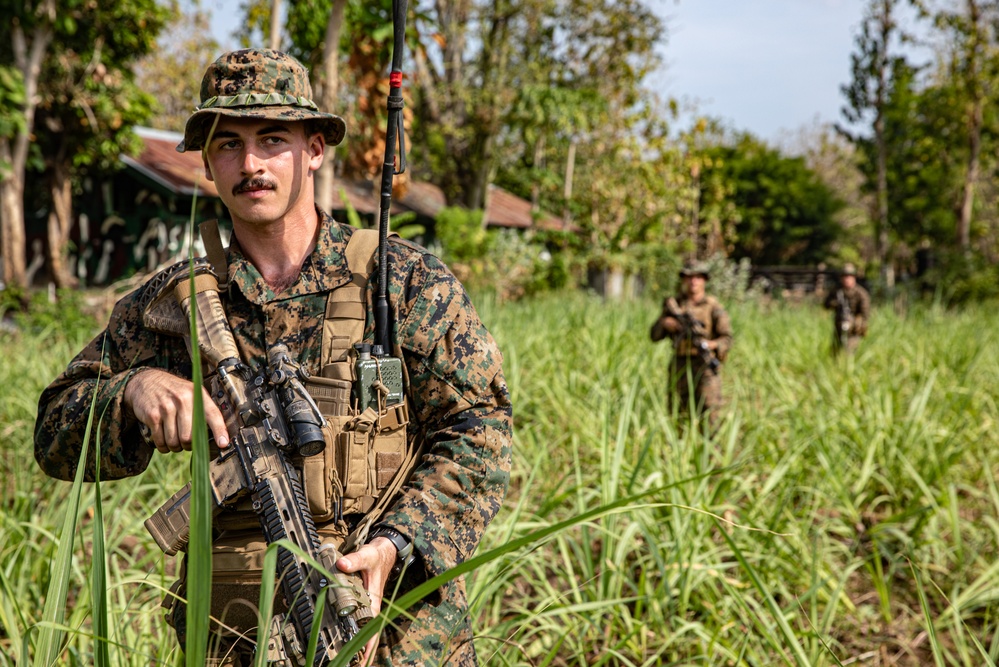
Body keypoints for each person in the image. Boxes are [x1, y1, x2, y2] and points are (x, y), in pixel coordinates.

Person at [34, 48, 512, 666]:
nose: (251, 164)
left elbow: (480, 431)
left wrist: (396, 542)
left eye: (272, 139)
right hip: (237, 636)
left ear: (314, 149)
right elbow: (53, 434)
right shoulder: (178, 299)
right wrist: (133, 389)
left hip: (395, 633)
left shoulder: (401, 282)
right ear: (208, 162)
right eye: (228, 144)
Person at [650, 262, 732, 429]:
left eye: (698, 277)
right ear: (683, 280)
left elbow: (727, 339)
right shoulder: (674, 305)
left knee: (710, 412)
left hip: (704, 365)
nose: (693, 281)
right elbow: (654, 336)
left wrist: (710, 344)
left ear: (704, 280)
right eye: (689, 277)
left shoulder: (713, 306)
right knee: (677, 412)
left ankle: (709, 445)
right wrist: (665, 324)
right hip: (680, 364)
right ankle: (678, 443)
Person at [823, 262, 871, 354]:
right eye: (844, 277)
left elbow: (865, 314)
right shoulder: (837, 291)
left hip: (854, 329)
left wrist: (856, 322)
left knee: (849, 352)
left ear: (854, 278)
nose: (847, 279)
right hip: (839, 326)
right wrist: (835, 303)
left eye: (849, 277)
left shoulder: (861, 294)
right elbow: (826, 305)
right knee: (834, 352)